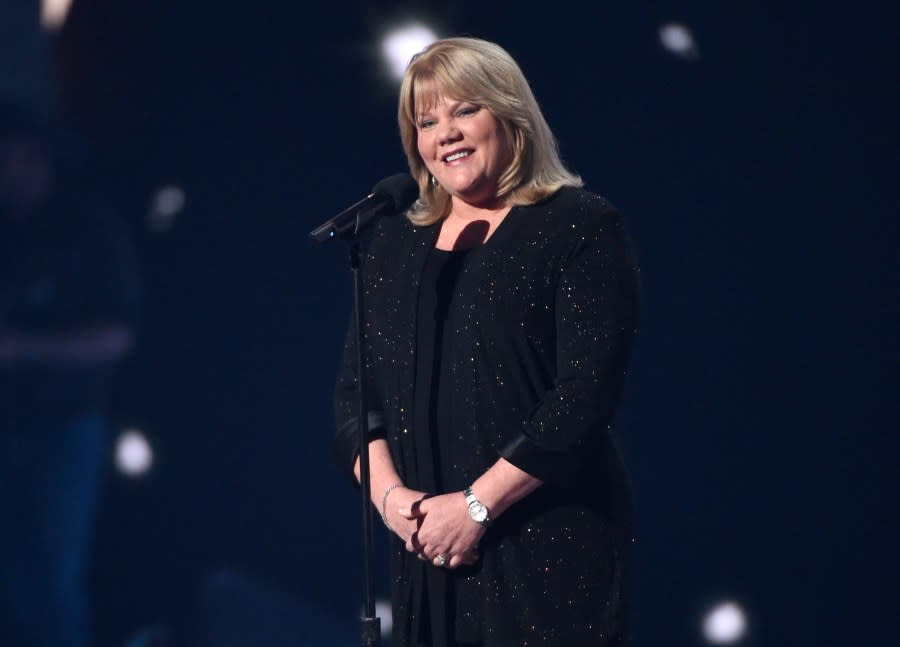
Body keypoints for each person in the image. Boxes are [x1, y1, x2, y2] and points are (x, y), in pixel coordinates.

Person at [333, 38, 638, 646]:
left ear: (509, 115)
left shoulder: (579, 226)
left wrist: (474, 508)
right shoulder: (394, 247)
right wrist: (400, 508)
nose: (444, 132)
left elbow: (584, 395)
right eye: (426, 121)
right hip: (428, 552)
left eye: (464, 110)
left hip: (544, 548)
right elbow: (355, 400)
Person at [0, 101, 138, 647]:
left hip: (65, 428)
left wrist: (21, 348)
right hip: (9, 427)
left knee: (52, 579)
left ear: (33, 155)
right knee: (13, 580)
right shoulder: (7, 234)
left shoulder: (88, 228)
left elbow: (118, 334)